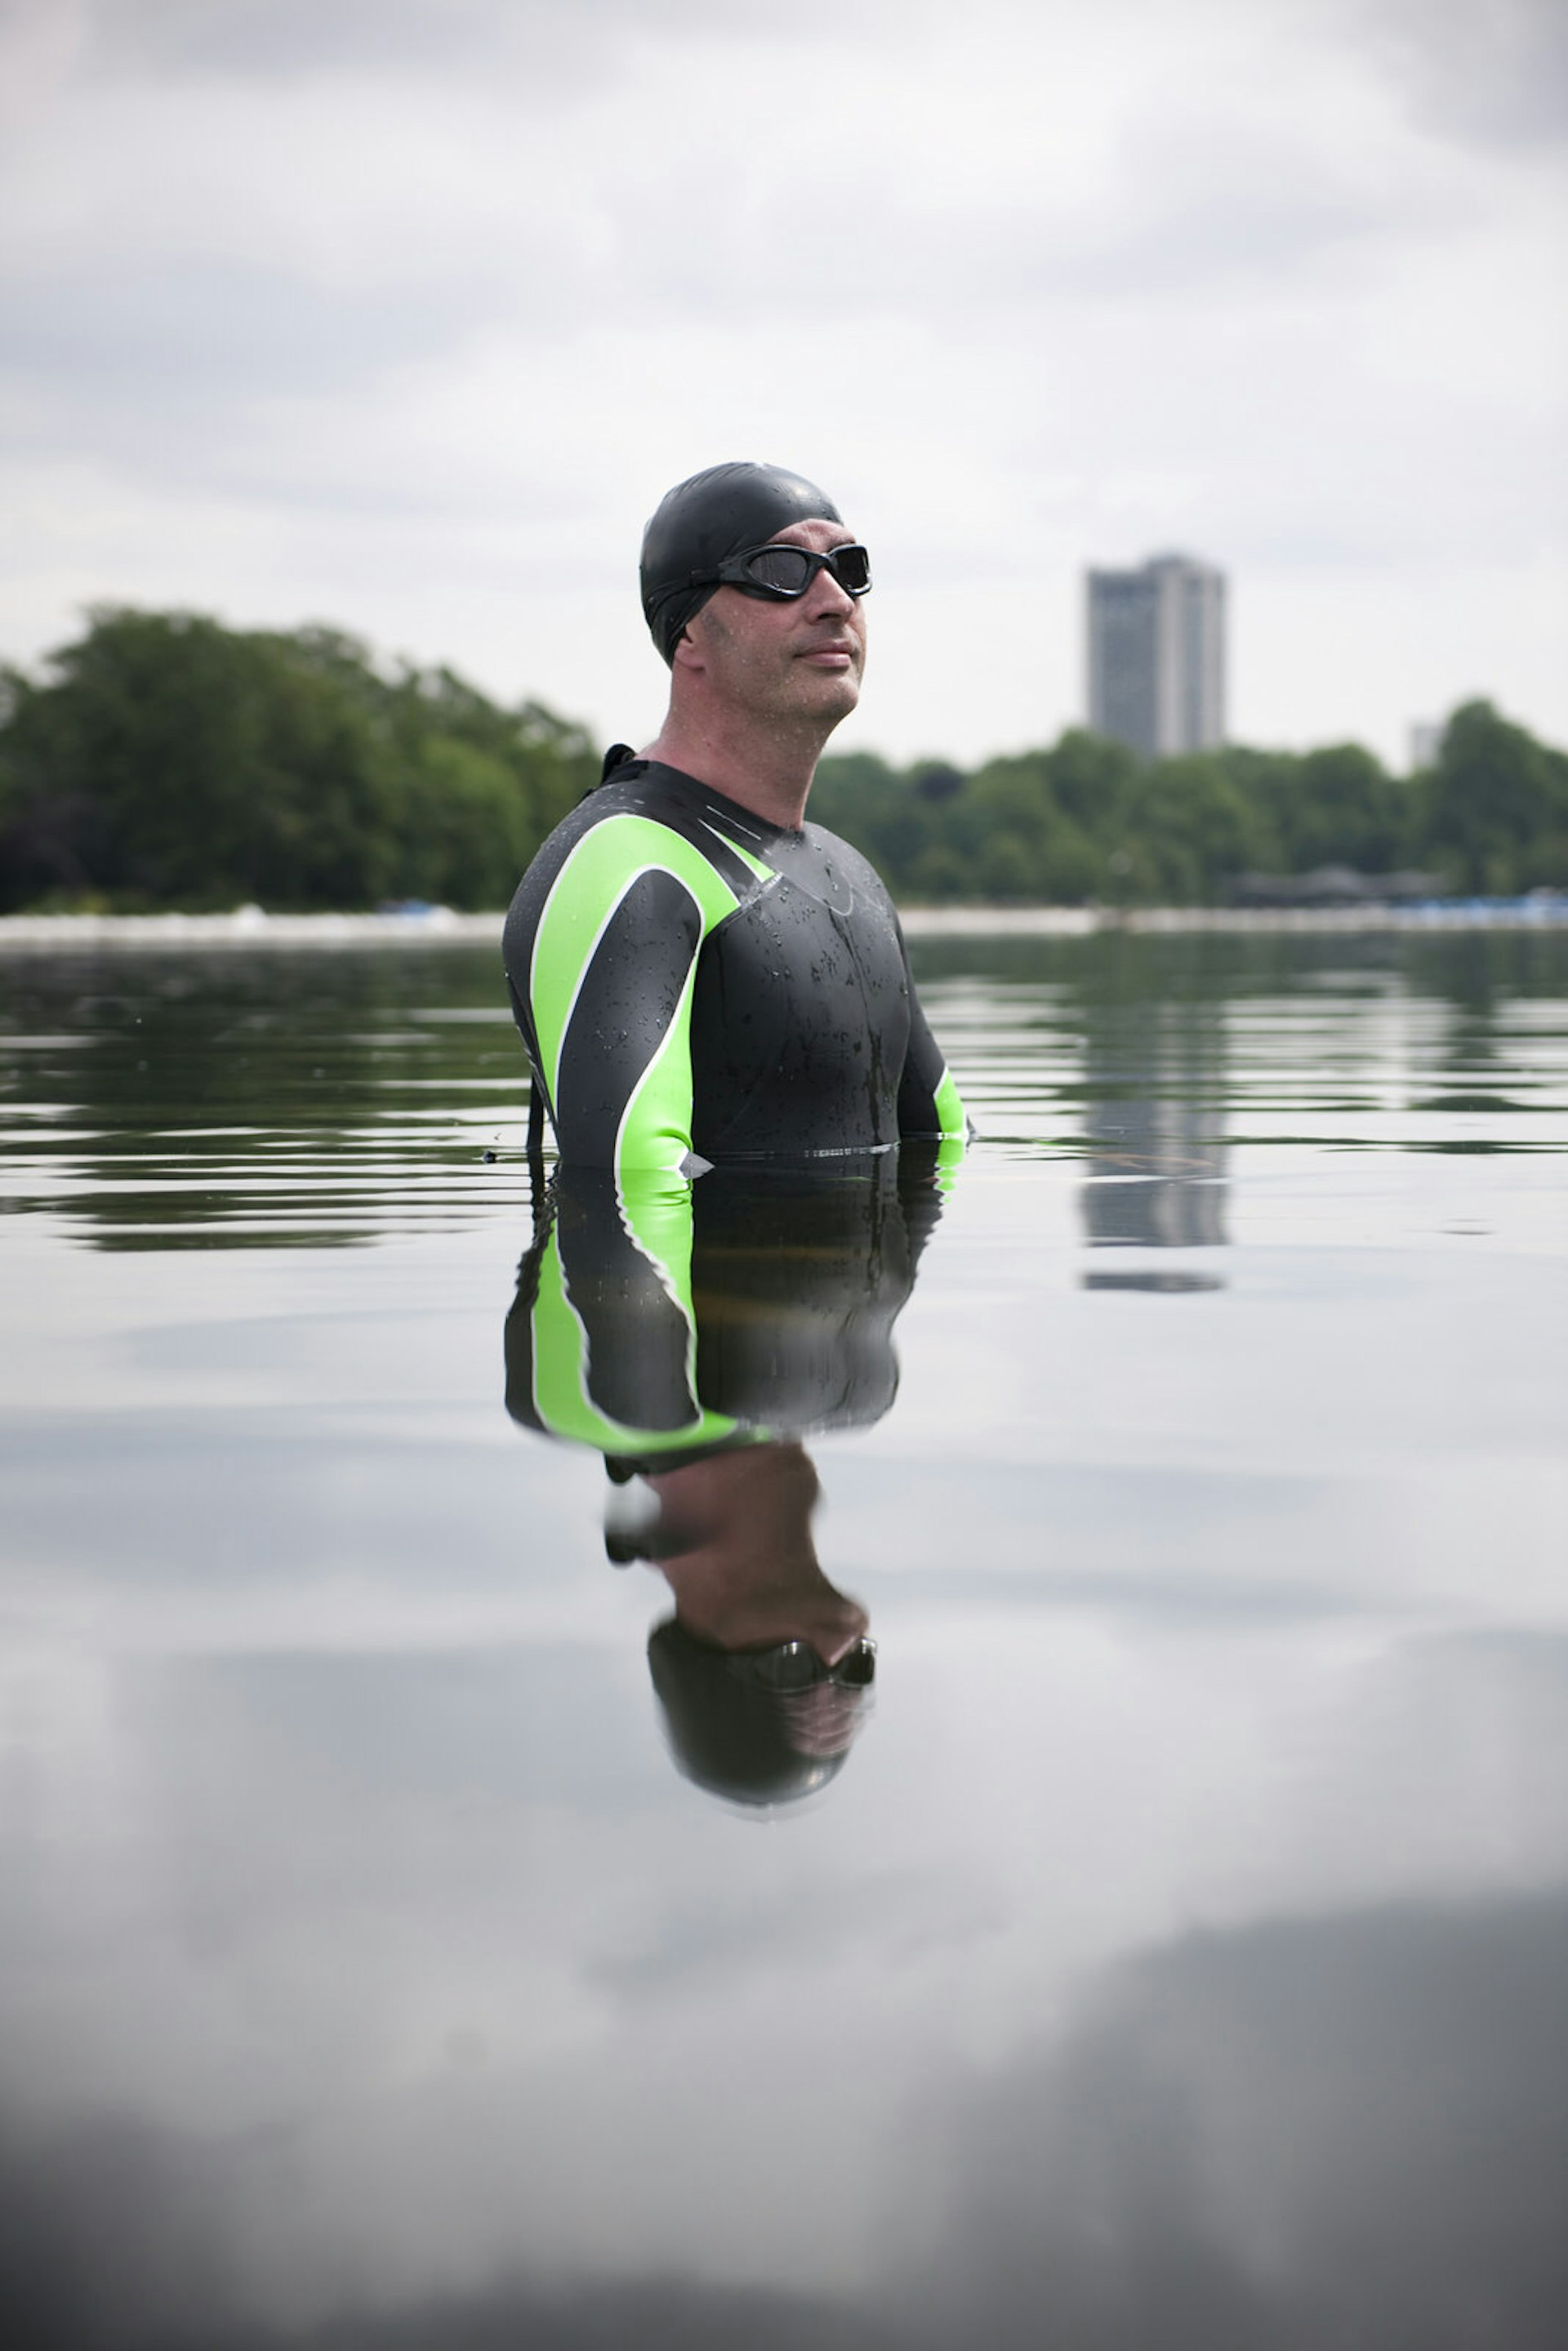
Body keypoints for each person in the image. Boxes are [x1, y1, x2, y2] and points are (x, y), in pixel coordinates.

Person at [502, 461, 967, 1178]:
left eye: (848, 567)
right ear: (688, 633)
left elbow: (944, 1150)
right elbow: (632, 1191)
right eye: (781, 569)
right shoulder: (626, 861)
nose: (833, 598)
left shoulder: (853, 878)